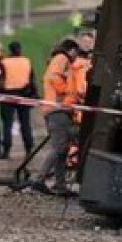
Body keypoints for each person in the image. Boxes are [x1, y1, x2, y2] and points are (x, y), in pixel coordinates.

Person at [33, 38, 82, 196]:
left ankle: (60, 185)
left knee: (63, 149)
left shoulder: (58, 59)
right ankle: (39, 180)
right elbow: (54, 78)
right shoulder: (62, 59)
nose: (76, 56)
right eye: (76, 52)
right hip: (58, 109)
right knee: (59, 147)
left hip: (58, 109)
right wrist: (66, 93)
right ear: (71, 50)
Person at [0, 41, 36, 159]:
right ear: (20, 49)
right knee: (25, 123)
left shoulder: (3, 62)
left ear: (10, 50)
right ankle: (29, 149)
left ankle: (6, 151)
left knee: (7, 125)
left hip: (7, 95)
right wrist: (34, 95)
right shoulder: (26, 61)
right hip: (23, 95)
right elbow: (31, 79)